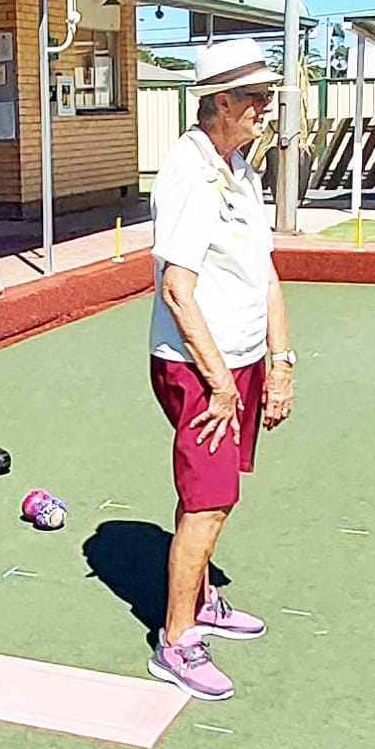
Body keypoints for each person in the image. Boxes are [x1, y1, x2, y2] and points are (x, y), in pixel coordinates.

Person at [147, 37, 296, 700]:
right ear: (220, 101)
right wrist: (216, 383)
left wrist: (281, 359)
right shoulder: (189, 171)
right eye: (257, 99)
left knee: (212, 495)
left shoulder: (239, 167)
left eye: (267, 97)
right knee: (208, 503)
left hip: (239, 361)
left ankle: (203, 601)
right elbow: (176, 288)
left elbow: (262, 272)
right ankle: (175, 641)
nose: (266, 110)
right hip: (197, 368)